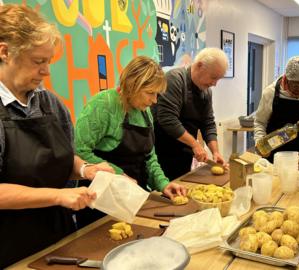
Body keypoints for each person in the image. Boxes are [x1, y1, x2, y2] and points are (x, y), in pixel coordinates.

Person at [0, 5, 114, 268]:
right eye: (38, 61)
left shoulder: (49, 103)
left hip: (58, 234)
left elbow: (61, 159)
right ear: (5, 52)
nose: (47, 72)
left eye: (49, 62)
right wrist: (57, 196)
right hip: (10, 245)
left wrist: (86, 170)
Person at [75, 56, 186, 227]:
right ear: (132, 85)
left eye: (157, 94)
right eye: (150, 93)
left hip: (134, 199)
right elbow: (79, 151)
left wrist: (163, 183)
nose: (154, 100)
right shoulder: (104, 104)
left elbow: (149, 157)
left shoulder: (144, 112)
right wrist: (119, 174)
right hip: (101, 205)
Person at [151, 47, 228, 180]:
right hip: (162, 152)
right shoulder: (174, 80)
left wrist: (215, 152)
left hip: (183, 155)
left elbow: (208, 123)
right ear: (199, 66)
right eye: (214, 77)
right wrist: (195, 144)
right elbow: (168, 119)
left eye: (218, 79)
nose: (215, 84)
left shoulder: (206, 92)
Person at [254, 56, 299, 162]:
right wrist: (260, 143)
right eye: (296, 86)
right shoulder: (271, 92)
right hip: (275, 152)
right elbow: (260, 122)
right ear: (287, 79)